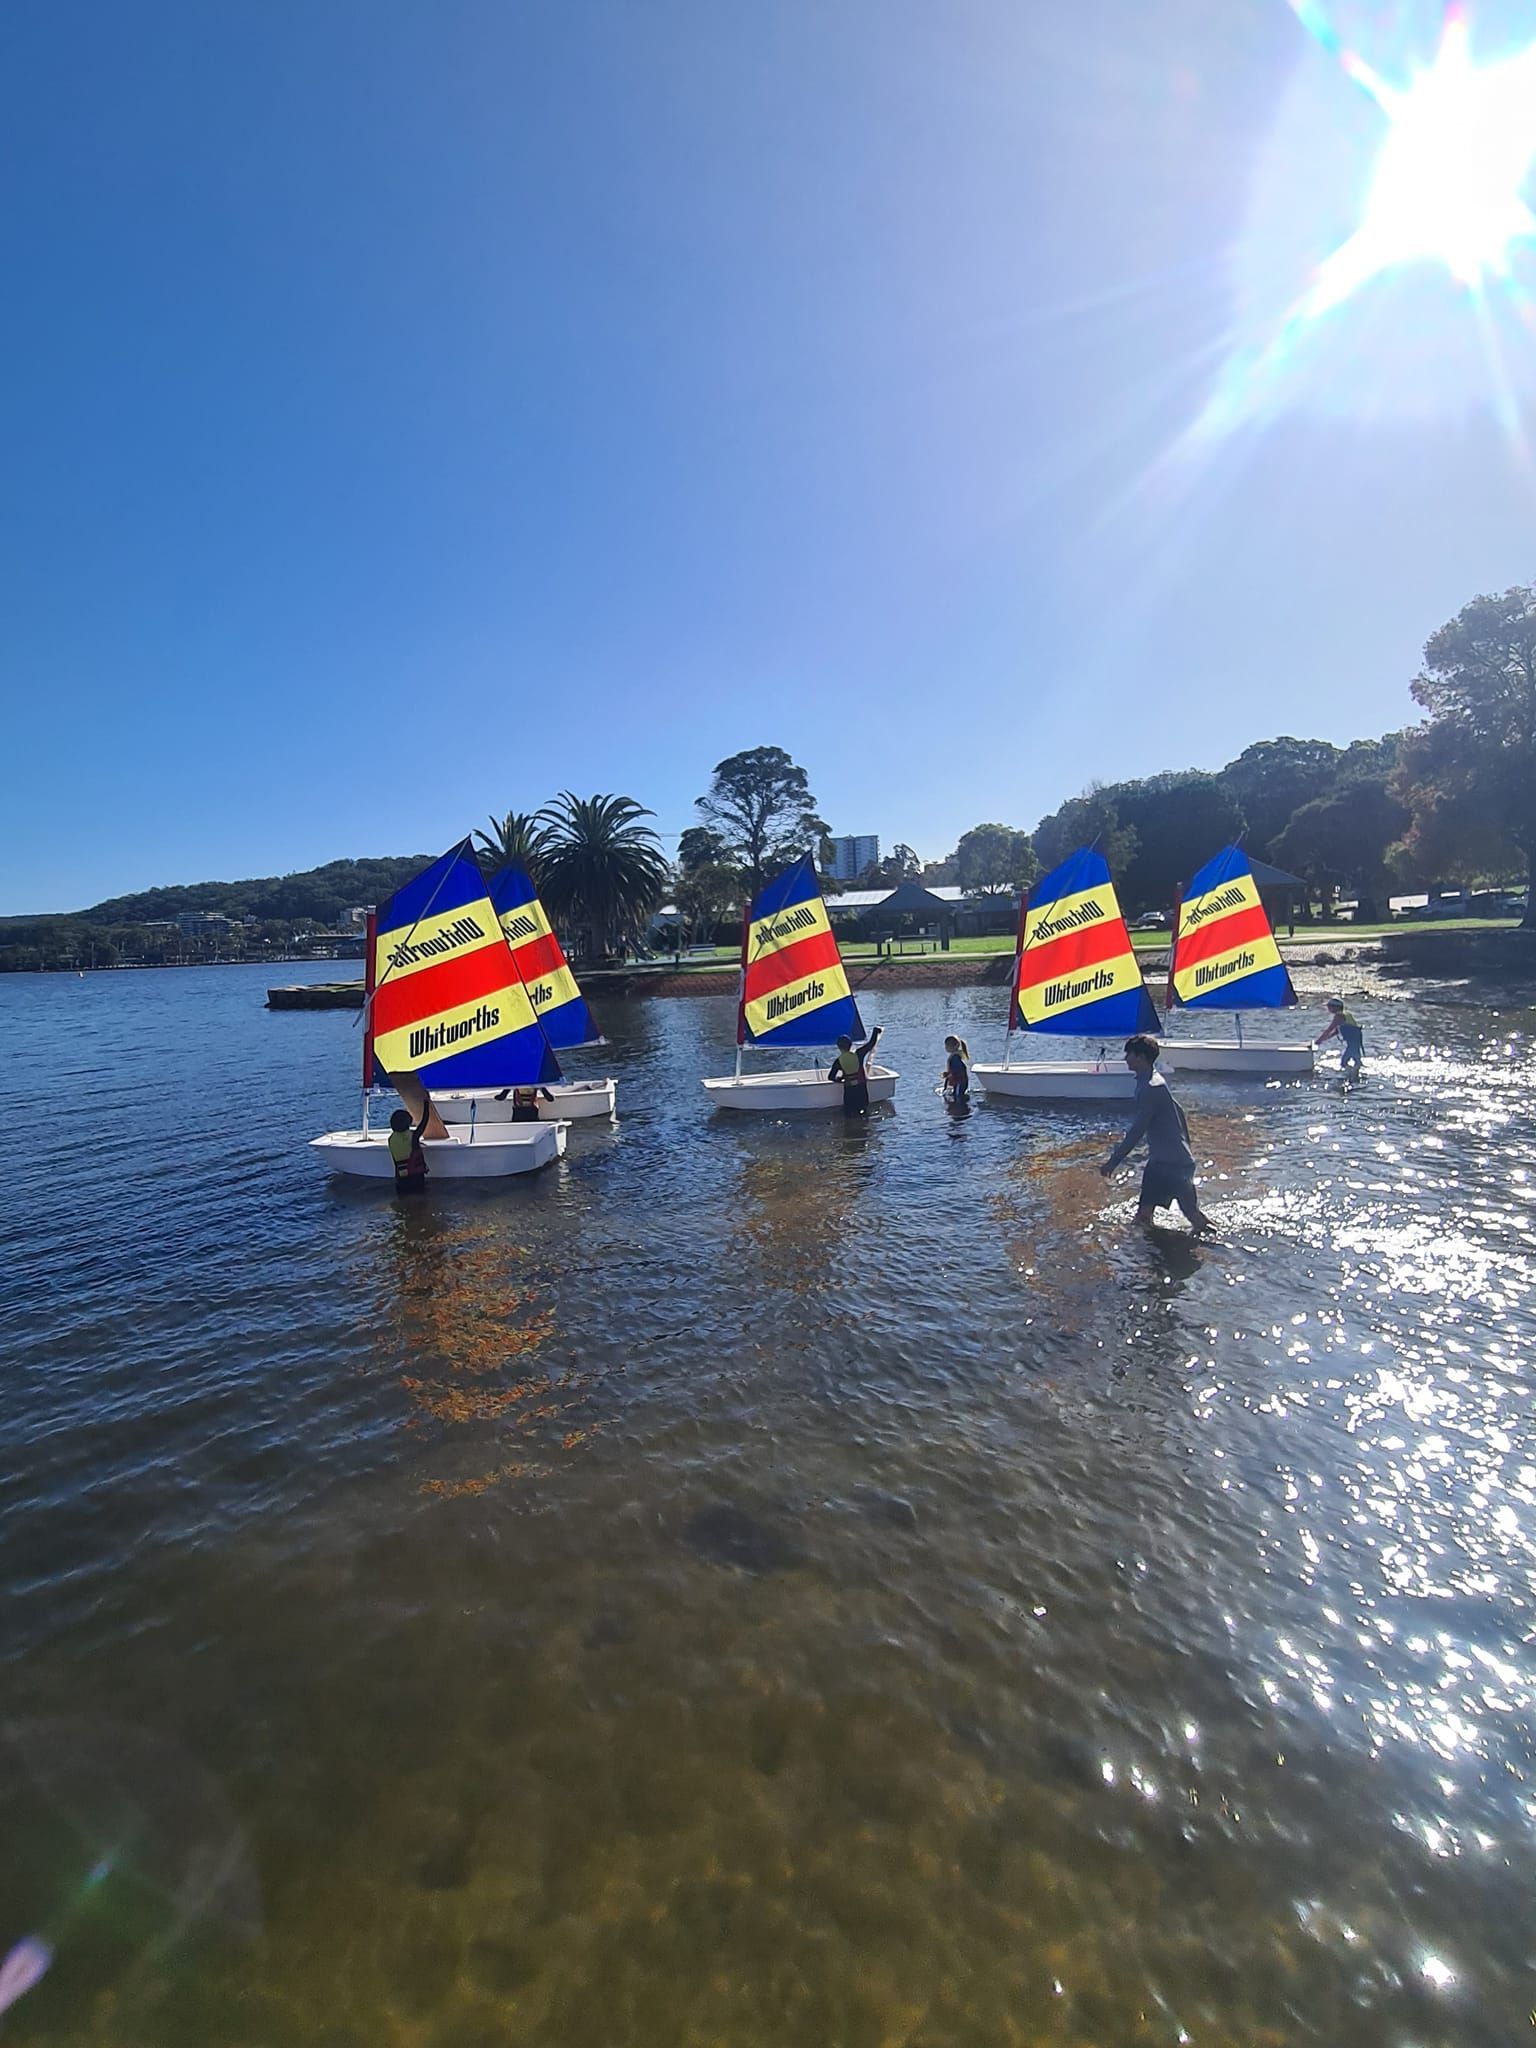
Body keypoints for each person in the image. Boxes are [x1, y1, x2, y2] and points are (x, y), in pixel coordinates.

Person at [1100, 1034, 1213, 1232]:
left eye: (1129, 1054)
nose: (1125, 1058)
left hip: (1167, 1165)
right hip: (1174, 1161)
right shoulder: (1154, 1081)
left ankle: (1144, 1254)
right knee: (1184, 1214)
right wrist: (1187, 1146)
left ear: (1141, 1057)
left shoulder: (1151, 1088)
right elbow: (1179, 1110)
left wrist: (1114, 1160)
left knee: (1170, 1216)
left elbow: (1137, 1130)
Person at [828, 1025, 884, 1116]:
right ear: (850, 1045)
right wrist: (875, 1032)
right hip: (861, 1089)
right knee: (863, 1112)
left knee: (849, 1114)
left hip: (849, 1091)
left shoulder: (838, 1061)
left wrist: (840, 1079)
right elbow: (870, 1044)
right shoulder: (858, 1054)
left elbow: (830, 1077)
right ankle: (864, 1128)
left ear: (839, 1047)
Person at [387, 1099, 432, 1191]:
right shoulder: (413, 1137)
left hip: (400, 1180)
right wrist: (426, 1105)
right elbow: (424, 1122)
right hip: (416, 1179)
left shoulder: (391, 1140)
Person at [1316, 996, 1364, 1075]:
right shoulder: (1346, 1014)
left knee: (1344, 1062)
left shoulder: (1339, 1016)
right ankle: (1355, 1074)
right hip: (1356, 1039)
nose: (1328, 1008)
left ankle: (1351, 1075)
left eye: (1329, 1006)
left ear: (1335, 1007)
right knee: (1356, 1060)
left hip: (1353, 1041)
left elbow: (1330, 1029)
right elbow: (1336, 1031)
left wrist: (1319, 1041)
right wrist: (1324, 1039)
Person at [941, 1035, 970, 1101]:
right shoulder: (954, 1057)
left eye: (947, 1046)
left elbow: (959, 1070)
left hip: (960, 1082)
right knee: (955, 1095)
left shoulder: (955, 1058)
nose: (945, 1048)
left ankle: (960, 1108)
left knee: (958, 1097)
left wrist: (949, 1074)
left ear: (954, 1046)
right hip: (958, 1082)